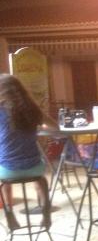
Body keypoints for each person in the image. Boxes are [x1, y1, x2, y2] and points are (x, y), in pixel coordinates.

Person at [0, 74, 56, 230]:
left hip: (8, 170)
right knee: (40, 179)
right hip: (34, 167)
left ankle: (10, 214)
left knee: (4, 182)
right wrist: (37, 127)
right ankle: (45, 209)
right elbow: (54, 126)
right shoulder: (32, 109)